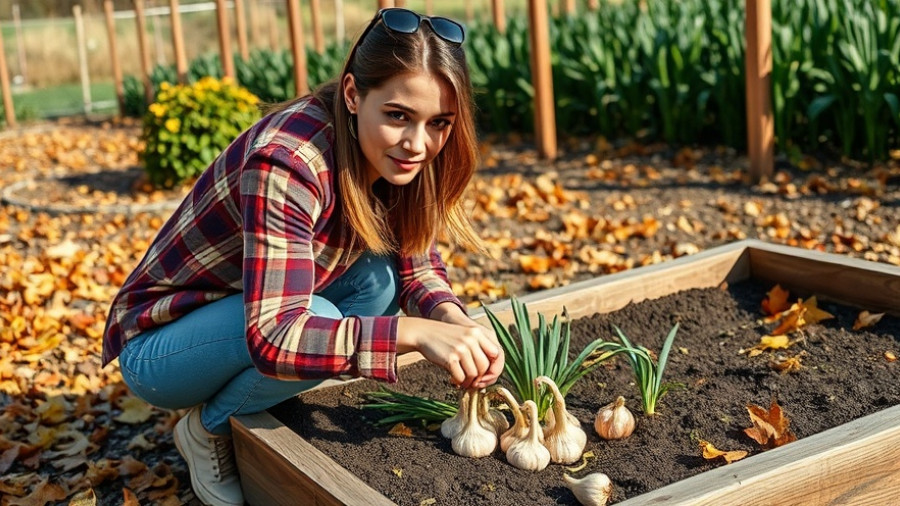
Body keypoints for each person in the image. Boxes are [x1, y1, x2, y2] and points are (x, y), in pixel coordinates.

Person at [101, 8, 504, 506]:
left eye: (439, 123)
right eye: (398, 116)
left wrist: (453, 321)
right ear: (354, 94)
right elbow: (276, 335)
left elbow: (415, 264)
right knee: (322, 322)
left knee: (378, 282)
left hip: (249, 312)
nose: (418, 143)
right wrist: (413, 332)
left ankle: (262, 393)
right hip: (161, 347)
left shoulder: (403, 155)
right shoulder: (288, 160)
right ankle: (210, 427)